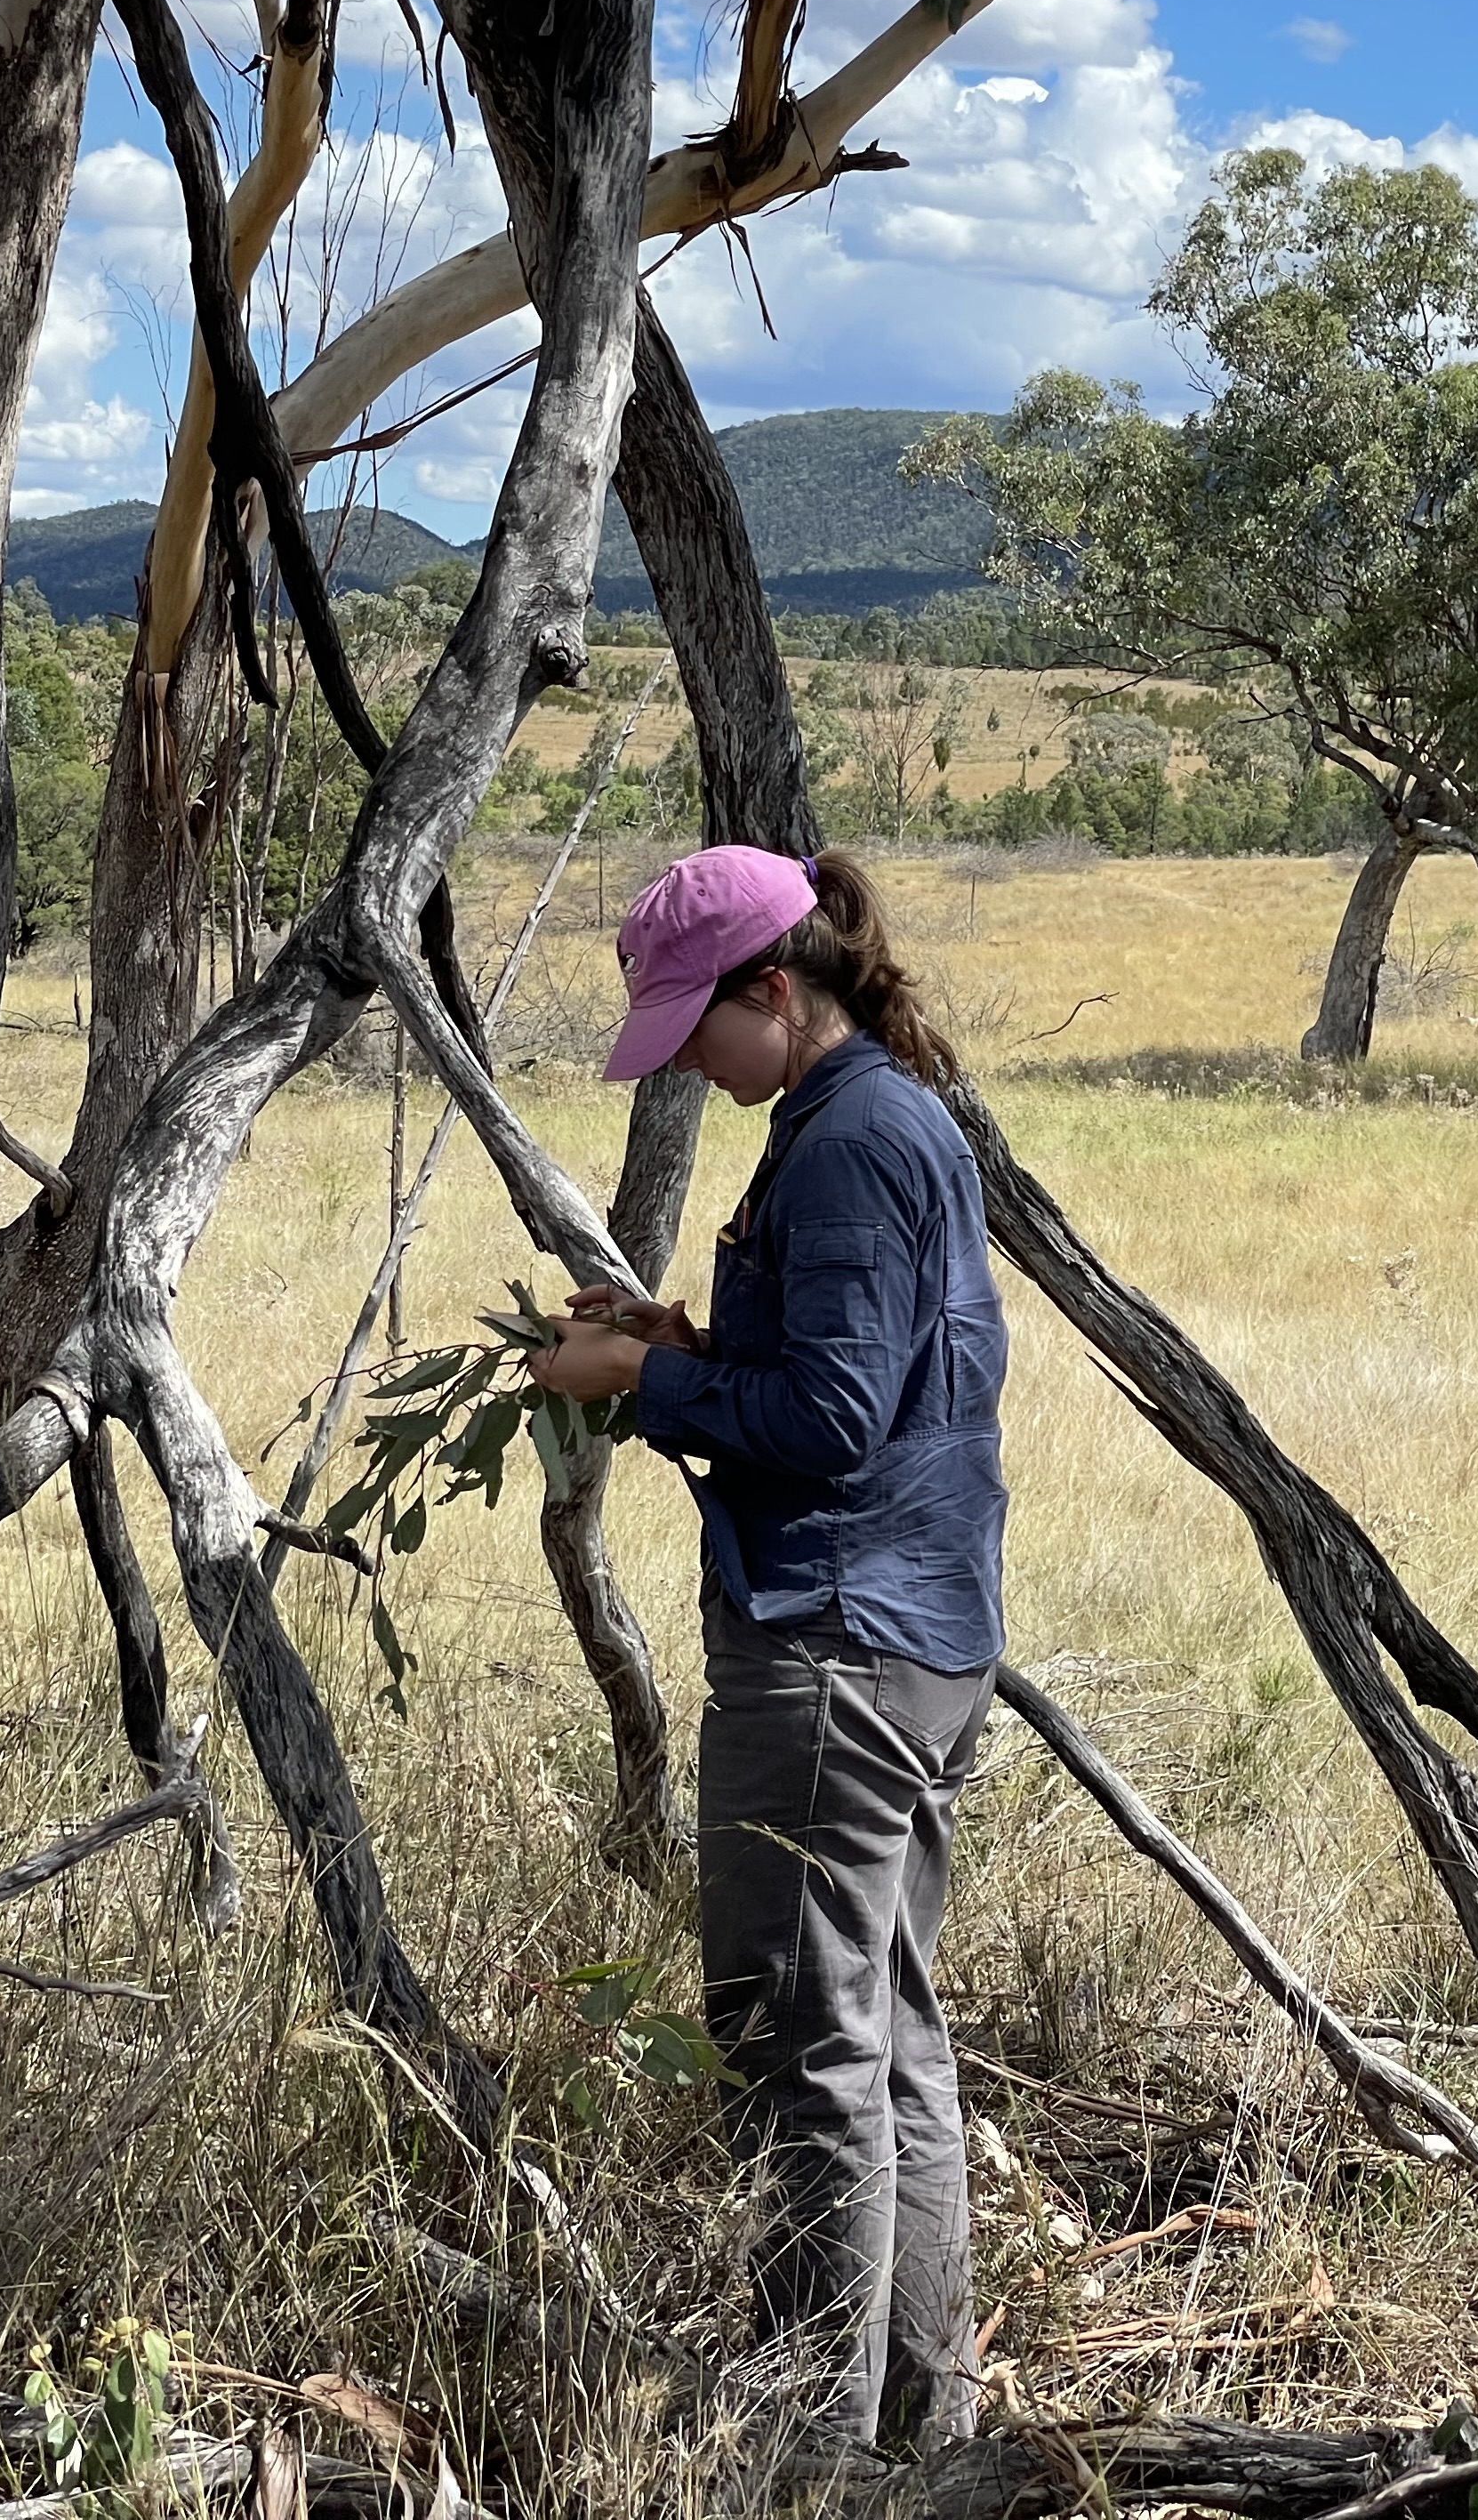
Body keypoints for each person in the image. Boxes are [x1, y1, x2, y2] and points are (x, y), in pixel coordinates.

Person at [526, 843, 1008, 2451]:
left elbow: (831, 1419)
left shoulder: (848, 1145)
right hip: (907, 1636)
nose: (685, 1066)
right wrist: (685, 1340)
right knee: (889, 2036)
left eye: (695, 1030)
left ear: (774, 991)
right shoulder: (869, 1120)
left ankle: (810, 2455)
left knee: (803, 2048)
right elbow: (837, 1367)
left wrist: (635, 1388)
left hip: (834, 1647)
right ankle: (912, 2436)